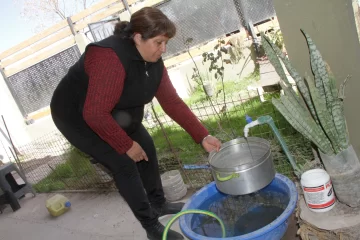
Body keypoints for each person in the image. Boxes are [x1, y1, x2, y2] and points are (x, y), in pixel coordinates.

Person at [50, 6, 222, 240]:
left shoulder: (152, 60)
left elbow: (171, 102)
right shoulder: (108, 57)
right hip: (77, 116)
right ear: (138, 37)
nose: (164, 49)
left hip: (112, 109)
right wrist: (126, 145)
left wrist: (202, 135)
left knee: (147, 148)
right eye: (159, 42)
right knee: (124, 163)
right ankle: (151, 227)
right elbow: (95, 114)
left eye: (166, 43)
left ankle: (158, 204)